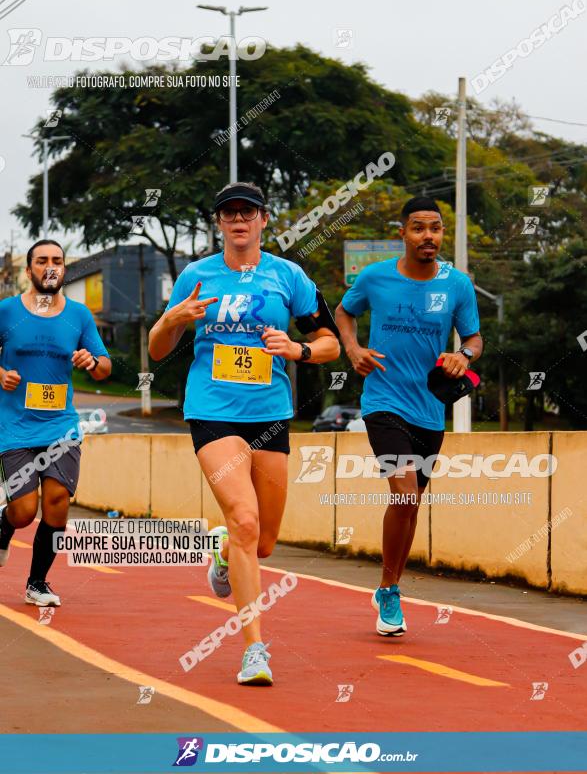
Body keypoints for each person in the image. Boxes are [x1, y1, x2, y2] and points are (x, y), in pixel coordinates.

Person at [149, 182, 340, 685]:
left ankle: (223, 556)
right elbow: (156, 348)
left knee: (264, 542)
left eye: (247, 212)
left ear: (262, 220)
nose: (238, 220)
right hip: (213, 410)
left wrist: (297, 349)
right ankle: (255, 650)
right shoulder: (197, 276)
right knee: (245, 519)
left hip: (271, 412)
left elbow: (330, 344)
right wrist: (175, 318)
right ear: (218, 223)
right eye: (229, 212)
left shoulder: (288, 276)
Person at [335, 196, 482, 637]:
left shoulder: (457, 284)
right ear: (403, 233)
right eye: (418, 228)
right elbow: (344, 312)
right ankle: (390, 588)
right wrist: (354, 349)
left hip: (430, 410)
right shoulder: (374, 277)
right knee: (403, 490)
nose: (428, 237)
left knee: (411, 502)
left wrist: (462, 356)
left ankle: (388, 587)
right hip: (383, 401)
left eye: (435, 228)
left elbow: (474, 338)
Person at [0, 240, 111, 605]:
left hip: (60, 426)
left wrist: (92, 362)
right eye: (42, 260)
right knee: (23, 511)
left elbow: (104, 366)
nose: (51, 266)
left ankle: (37, 583)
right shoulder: (7, 311)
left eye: (58, 261)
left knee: (58, 503)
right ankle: (5, 524)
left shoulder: (78, 316)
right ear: (29, 269)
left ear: (65, 268)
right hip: (15, 426)